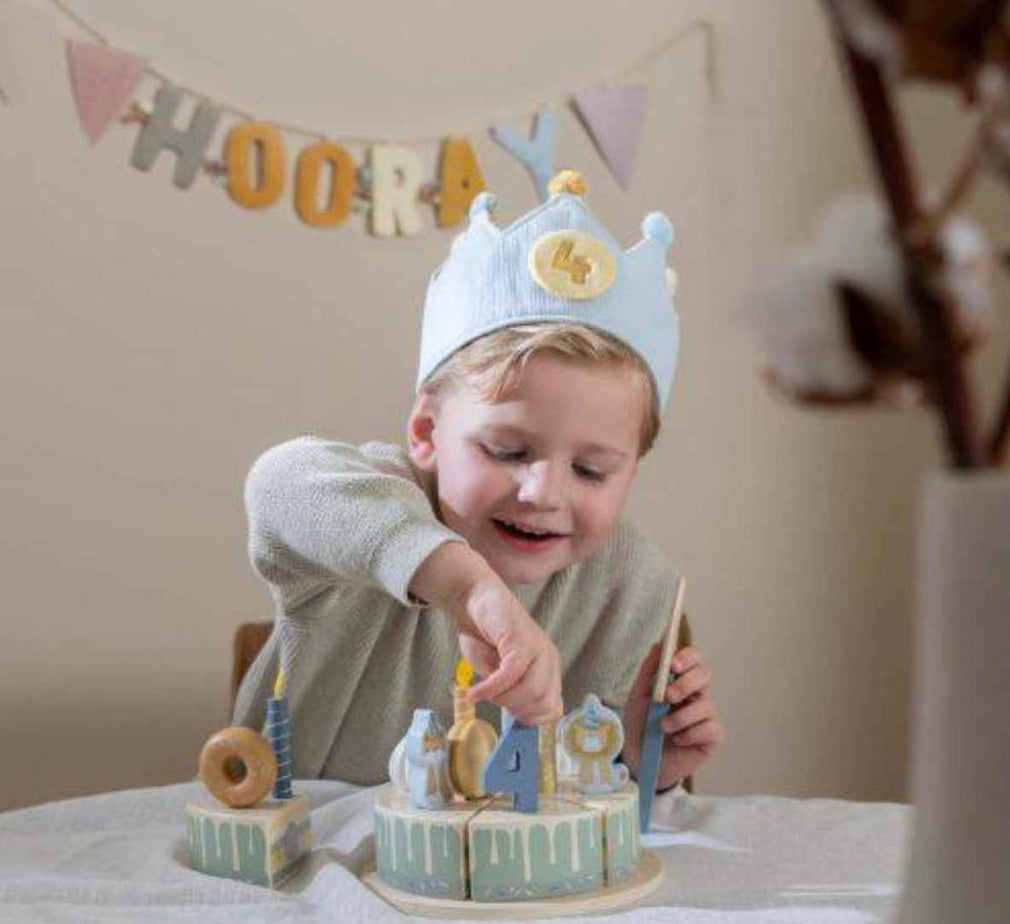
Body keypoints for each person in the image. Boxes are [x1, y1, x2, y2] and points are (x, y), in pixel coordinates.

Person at [233, 170, 723, 793]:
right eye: (508, 450)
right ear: (426, 433)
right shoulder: (379, 504)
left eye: (591, 469)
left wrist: (643, 767)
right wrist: (467, 590)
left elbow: (574, 800)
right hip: (306, 868)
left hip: (510, 889)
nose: (543, 492)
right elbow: (280, 481)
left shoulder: (634, 583)